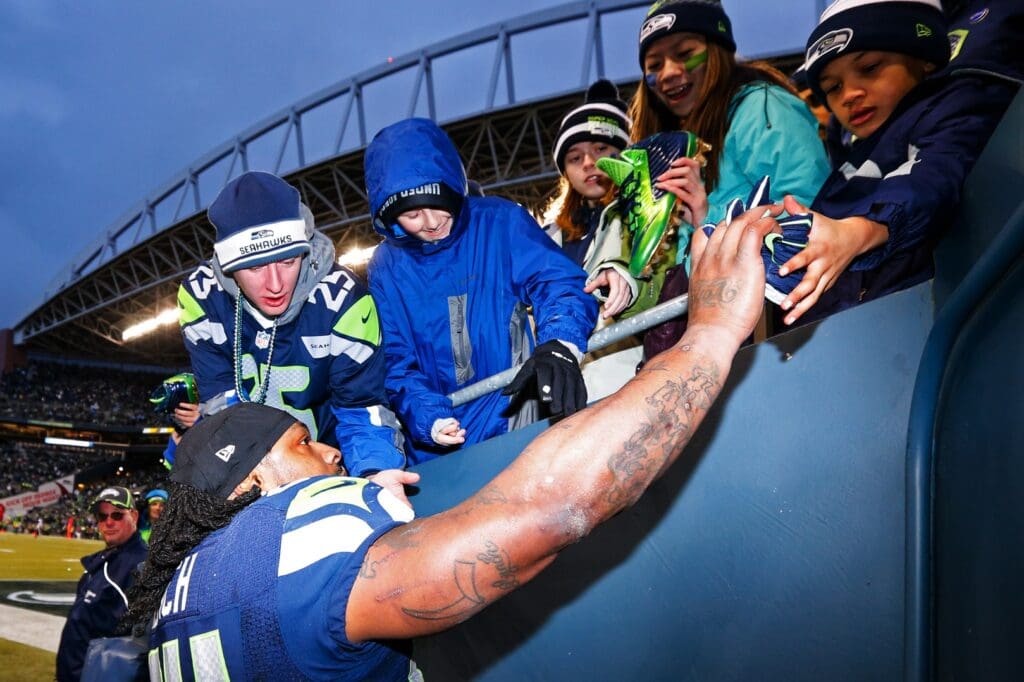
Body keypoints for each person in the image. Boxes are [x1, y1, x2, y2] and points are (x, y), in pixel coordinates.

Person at [125, 199, 776, 680]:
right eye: (301, 445)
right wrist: (711, 331)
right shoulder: (289, 543)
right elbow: (543, 511)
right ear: (248, 487)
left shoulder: (175, 601)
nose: (330, 452)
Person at [364, 118, 599, 465]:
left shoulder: (499, 222)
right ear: (390, 217)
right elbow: (397, 361)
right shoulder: (386, 265)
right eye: (412, 214)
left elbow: (557, 283)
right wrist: (428, 419)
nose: (429, 222)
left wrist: (560, 344)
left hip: (513, 421)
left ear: (454, 188)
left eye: (437, 204)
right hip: (438, 446)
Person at [774, 0, 1014, 326]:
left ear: (924, 60)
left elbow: (932, 176)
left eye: (870, 67)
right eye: (833, 87)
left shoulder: (949, 109)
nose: (850, 94)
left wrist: (861, 230)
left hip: (918, 323)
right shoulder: (854, 149)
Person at [177, 171, 406, 481]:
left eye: (288, 261)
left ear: (305, 250)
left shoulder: (344, 300)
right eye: (255, 267)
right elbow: (222, 411)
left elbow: (361, 407)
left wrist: (376, 473)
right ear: (228, 267)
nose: (275, 284)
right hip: (258, 470)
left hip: (331, 466)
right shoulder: (201, 298)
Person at [632, 0, 830, 354]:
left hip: (765, 333)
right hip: (704, 326)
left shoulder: (762, 108)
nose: (669, 73)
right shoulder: (675, 140)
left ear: (717, 49)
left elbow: (807, 211)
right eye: (654, 65)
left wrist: (704, 213)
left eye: (685, 53)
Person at [56, 487, 148, 681]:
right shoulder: (102, 562)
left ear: (134, 515)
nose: (109, 522)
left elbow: (143, 642)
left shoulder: (140, 565)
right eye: (102, 516)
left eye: (117, 515)